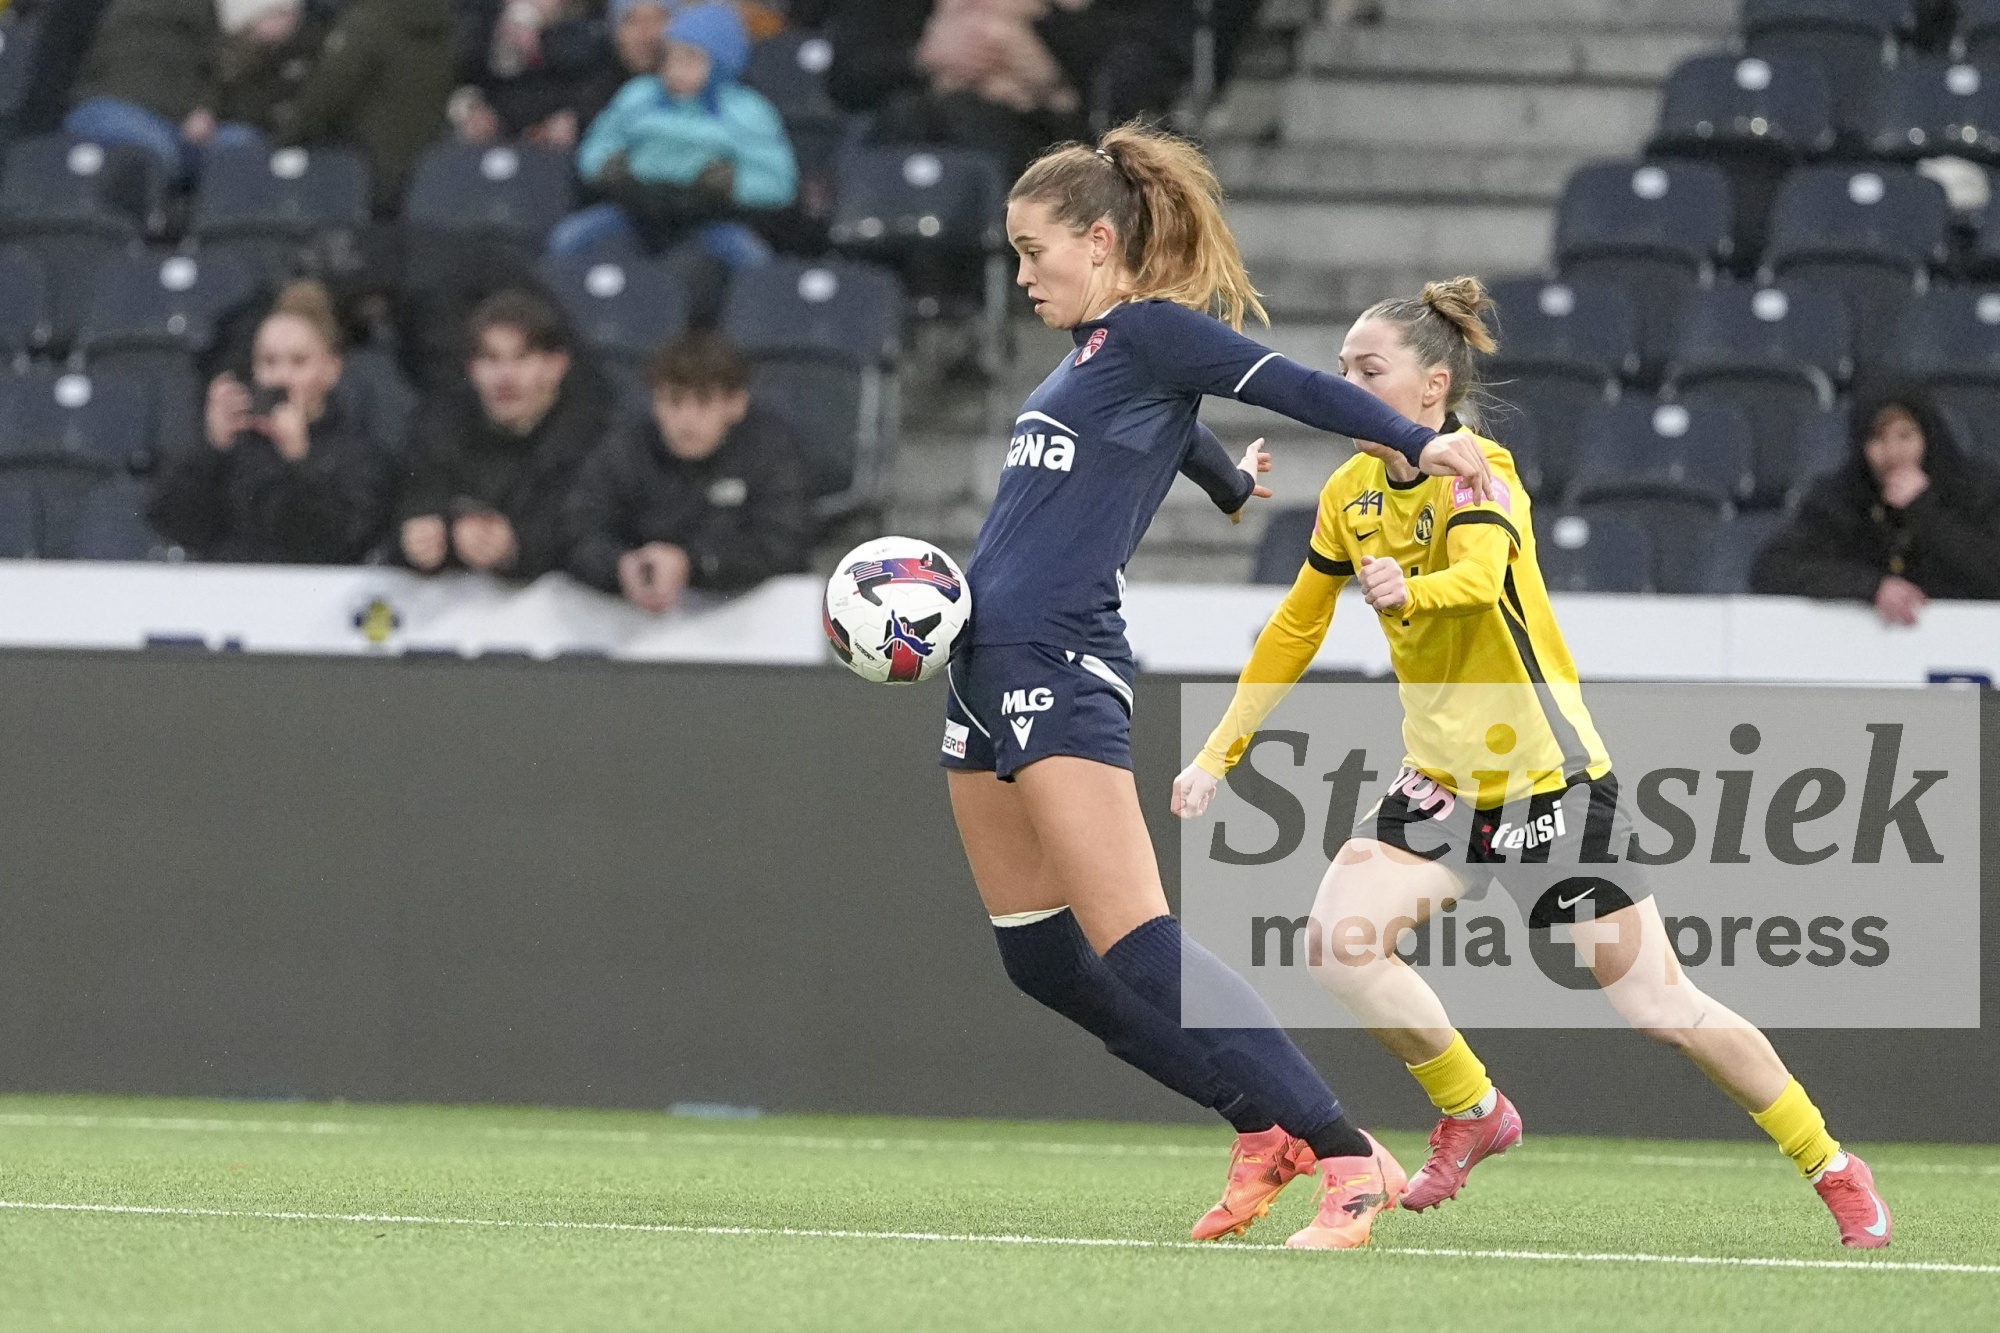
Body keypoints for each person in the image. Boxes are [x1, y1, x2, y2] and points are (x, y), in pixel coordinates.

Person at [1172, 277, 1894, 1250]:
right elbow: (1295, 628)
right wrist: (1216, 753)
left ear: (1432, 387)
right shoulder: (1349, 495)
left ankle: (1830, 1162)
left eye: (1368, 370)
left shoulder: (1482, 469)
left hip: (1549, 784)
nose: (1344, 387)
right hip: (1440, 786)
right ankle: (1473, 1109)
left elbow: (1478, 580)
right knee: (1339, 944)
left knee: (1659, 1004)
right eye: (1339, 370)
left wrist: (1411, 593)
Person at [943, 123, 1492, 1250]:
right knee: (1038, 956)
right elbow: (1164, 434)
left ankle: (1343, 1153)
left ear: (1101, 241)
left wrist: (1413, 440)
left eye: (1033, 249)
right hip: (980, 667)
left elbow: (1289, 383)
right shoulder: (1092, 357)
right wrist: (1230, 487)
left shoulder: (1152, 329)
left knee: (1136, 937)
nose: (1022, 273)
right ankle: (1262, 1126)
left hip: (1058, 659)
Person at [555, 0, 796, 294]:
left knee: (756, 263)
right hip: (636, 210)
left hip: (709, 219)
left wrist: (729, 184)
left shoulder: (747, 110)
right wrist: (609, 169)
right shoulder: (639, 94)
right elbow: (597, 145)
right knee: (568, 239)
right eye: (670, 57)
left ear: (721, 63)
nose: (677, 69)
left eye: (691, 59)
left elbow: (778, 181)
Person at [563, 330, 809, 610]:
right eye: (674, 401)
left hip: (747, 613)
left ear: (737, 404)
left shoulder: (770, 452)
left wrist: (694, 565)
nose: (687, 420)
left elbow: (785, 544)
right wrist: (619, 567)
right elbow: (579, 529)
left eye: (704, 402)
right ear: (655, 402)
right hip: (635, 616)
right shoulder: (624, 450)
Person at [147, 280, 388, 564]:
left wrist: (298, 458)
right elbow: (172, 524)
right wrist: (213, 449)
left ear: (331, 369)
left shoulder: (357, 454)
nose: (281, 377)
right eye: (269, 361)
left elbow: (339, 543)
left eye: (298, 362)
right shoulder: (235, 447)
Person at [395, 290, 614, 579]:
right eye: (491, 359)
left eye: (521, 358)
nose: (505, 377)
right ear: (472, 368)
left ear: (557, 366)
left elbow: (592, 536)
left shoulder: (597, 438)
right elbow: (410, 504)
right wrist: (429, 539)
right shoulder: (439, 426)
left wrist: (516, 548)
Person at [1751, 386, 2000, 624]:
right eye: (1877, 438)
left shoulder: (1975, 490)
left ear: (1928, 438)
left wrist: (1925, 511)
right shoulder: (1839, 497)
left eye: (1905, 436)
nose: (1893, 454)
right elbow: (1774, 568)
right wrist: (1872, 587)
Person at [65, 0, 290, 177]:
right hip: (114, 108)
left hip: (177, 125)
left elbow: (214, 68)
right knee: (154, 154)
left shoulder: (209, 13)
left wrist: (204, 109)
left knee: (242, 146)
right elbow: (137, 66)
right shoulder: (137, 16)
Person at [271, 0, 454, 215]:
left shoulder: (369, 22)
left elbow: (329, 93)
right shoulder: (443, 21)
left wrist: (285, 137)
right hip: (425, 170)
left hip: (361, 171)